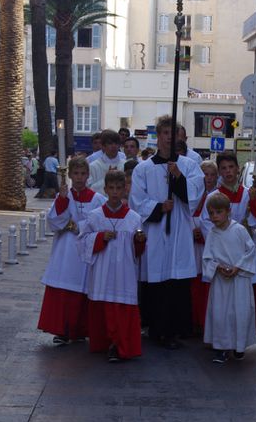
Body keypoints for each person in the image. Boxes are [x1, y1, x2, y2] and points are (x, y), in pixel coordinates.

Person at [129, 115, 204, 348]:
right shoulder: (143, 169)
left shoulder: (189, 166)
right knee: (156, 279)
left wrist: (178, 177)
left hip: (179, 229)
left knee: (176, 282)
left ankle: (174, 330)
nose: (169, 138)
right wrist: (160, 207)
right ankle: (154, 327)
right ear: (157, 136)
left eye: (173, 134)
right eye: (164, 133)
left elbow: (196, 194)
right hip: (156, 230)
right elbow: (136, 201)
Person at [78, 170, 146, 362]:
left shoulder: (134, 217)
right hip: (103, 269)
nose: (115, 192)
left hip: (124, 271)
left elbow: (138, 249)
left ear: (125, 189)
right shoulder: (94, 216)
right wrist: (100, 237)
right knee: (104, 304)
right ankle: (104, 342)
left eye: (119, 188)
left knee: (122, 307)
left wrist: (140, 240)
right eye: (111, 188)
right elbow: (81, 242)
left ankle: (120, 344)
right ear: (105, 189)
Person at [38, 157, 105, 344]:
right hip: (66, 249)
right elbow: (53, 221)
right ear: (70, 175)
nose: (79, 177)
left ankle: (81, 330)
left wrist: (79, 227)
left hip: (86, 250)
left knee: (84, 289)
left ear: (88, 175)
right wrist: (61, 200)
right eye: (75, 173)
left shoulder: (98, 199)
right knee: (64, 288)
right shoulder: (64, 196)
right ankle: (62, 330)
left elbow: (100, 222)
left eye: (83, 174)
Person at [200, 151, 256, 335]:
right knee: (222, 301)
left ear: (238, 169)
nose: (228, 171)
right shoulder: (213, 197)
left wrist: (254, 202)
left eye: (231, 167)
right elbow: (205, 223)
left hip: (245, 252)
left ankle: (242, 338)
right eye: (223, 168)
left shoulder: (249, 193)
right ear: (219, 172)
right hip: (223, 253)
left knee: (244, 300)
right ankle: (222, 338)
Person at [202, 192, 256, 364]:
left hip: (238, 279)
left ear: (228, 211)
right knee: (220, 314)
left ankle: (238, 346)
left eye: (218, 212)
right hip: (220, 281)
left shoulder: (239, 230)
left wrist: (237, 267)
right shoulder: (212, 233)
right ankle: (220, 348)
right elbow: (207, 257)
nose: (214, 217)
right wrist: (217, 267)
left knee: (238, 313)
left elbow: (250, 251)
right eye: (211, 213)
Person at [191, 159, 218, 333]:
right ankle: (193, 321)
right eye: (205, 174)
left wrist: (204, 233)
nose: (208, 178)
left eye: (212, 175)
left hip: (209, 246)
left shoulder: (216, 197)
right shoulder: (193, 195)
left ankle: (206, 322)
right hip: (192, 246)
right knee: (193, 285)